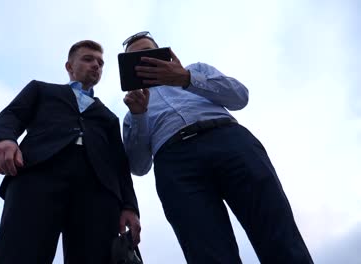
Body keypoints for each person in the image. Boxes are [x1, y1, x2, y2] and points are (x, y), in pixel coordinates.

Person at [121, 31, 313, 264]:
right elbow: (139, 166)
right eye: (136, 58)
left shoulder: (196, 69)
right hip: (175, 163)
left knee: (277, 230)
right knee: (206, 252)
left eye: (150, 52)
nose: (146, 60)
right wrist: (139, 115)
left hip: (228, 139)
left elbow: (240, 97)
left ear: (165, 54)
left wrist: (186, 78)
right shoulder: (133, 110)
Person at [0, 40, 140, 264]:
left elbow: (119, 164)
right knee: (19, 252)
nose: (96, 65)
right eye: (88, 59)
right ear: (69, 66)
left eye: (100, 62)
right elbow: (11, 115)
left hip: (99, 189)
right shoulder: (40, 89)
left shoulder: (108, 117)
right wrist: (3, 140)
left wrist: (130, 206)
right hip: (38, 175)